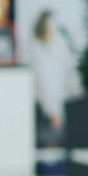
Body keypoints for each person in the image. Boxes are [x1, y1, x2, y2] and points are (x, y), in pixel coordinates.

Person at [32, 11, 70, 147]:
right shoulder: (38, 51)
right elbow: (43, 83)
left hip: (56, 107)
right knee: (48, 145)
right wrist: (53, 111)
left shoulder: (57, 49)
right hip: (45, 110)